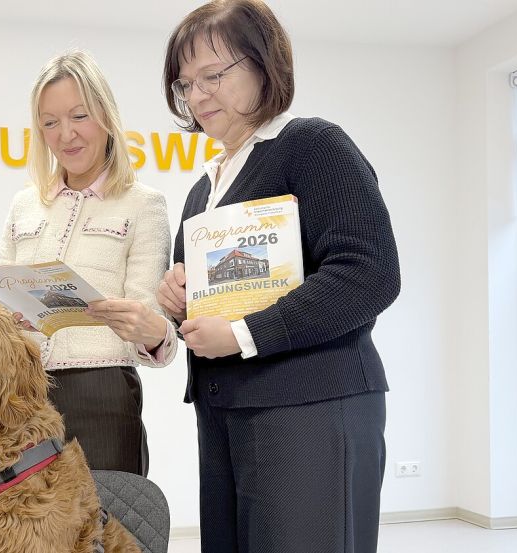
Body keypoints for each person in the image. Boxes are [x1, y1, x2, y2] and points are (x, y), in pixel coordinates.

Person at [155, 1, 401, 551]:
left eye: (212, 75)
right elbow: (211, 297)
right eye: (185, 84)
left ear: (265, 64)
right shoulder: (204, 188)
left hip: (309, 405)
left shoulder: (312, 145)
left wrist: (245, 334)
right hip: (224, 408)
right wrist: (178, 295)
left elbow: (369, 273)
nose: (197, 96)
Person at [0, 50, 177, 476]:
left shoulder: (143, 205)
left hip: (103, 393)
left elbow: (152, 326)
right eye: (50, 122)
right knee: (20, 533)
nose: (65, 135)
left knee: (104, 533)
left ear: (105, 116)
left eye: (79, 116)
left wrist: (154, 332)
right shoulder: (24, 205)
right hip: (21, 395)